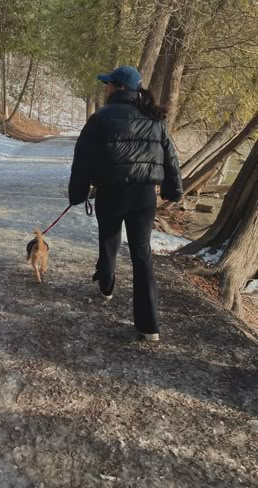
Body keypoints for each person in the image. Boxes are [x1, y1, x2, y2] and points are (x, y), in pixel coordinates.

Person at [68, 65, 182, 342]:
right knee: (142, 256)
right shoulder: (155, 119)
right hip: (144, 197)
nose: (105, 88)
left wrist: (77, 193)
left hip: (110, 193)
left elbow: (82, 159)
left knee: (109, 241)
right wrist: (173, 189)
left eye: (108, 84)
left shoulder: (100, 118)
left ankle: (106, 286)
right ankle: (149, 325)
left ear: (118, 87)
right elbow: (170, 156)